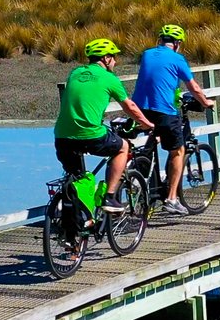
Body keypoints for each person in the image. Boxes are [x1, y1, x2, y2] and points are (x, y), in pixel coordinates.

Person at [53, 38, 154, 213]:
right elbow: (129, 106)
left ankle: (80, 223)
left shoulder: (75, 73)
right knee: (123, 147)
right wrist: (147, 124)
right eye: (114, 57)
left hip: (62, 136)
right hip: (91, 135)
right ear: (106, 58)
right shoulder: (109, 78)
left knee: (77, 180)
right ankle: (110, 197)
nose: (115, 62)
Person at [131, 24, 216, 216]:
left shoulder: (147, 54)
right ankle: (171, 199)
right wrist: (206, 102)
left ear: (160, 40)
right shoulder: (178, 58)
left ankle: (141, 180)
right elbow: (193, 87)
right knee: (178, 150)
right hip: (163, 110)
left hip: (140, 109)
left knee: (153, 139)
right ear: (177, 43)